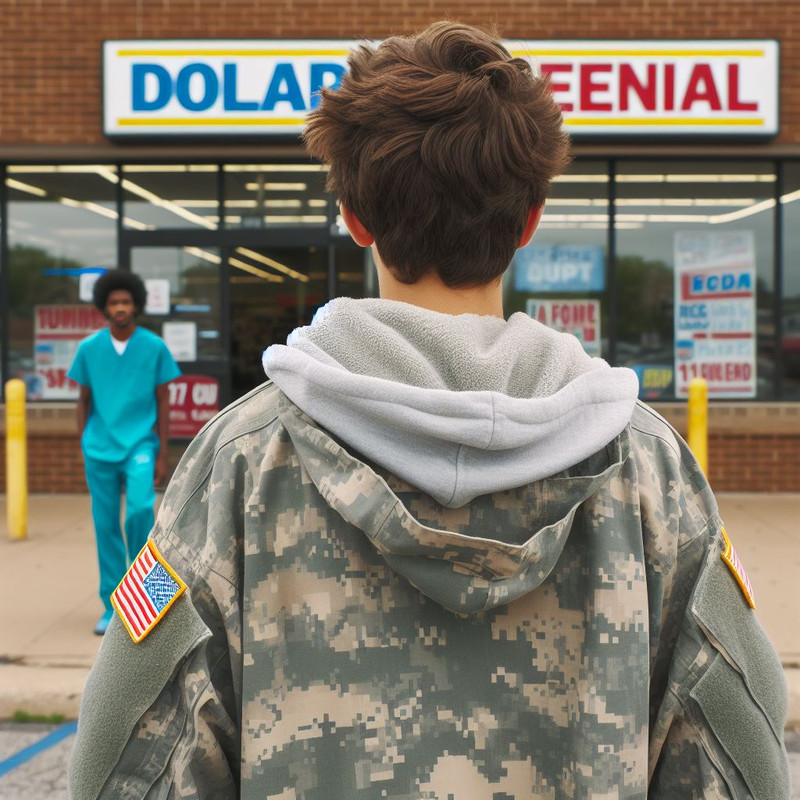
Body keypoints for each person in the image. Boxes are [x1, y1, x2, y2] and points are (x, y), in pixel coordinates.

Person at [69, 23, 790, 800]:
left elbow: (125, 756)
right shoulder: (650, 470)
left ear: (354, 219)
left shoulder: (241, 460)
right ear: (529, 222)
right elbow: (739, 751)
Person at [67, 270, 181, 636]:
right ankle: (112, 605)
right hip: (98, 450)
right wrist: (83, 444)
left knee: (139, 513)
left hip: (140, 447)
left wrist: (163, 454)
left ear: (136, 306)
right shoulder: (89, 349)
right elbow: (82, 402)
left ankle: (147, 598)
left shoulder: (154, 347)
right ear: (104, 306)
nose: (120, 308)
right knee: (104, 526)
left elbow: (164, 404)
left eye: (126, 301)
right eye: (114, 302)